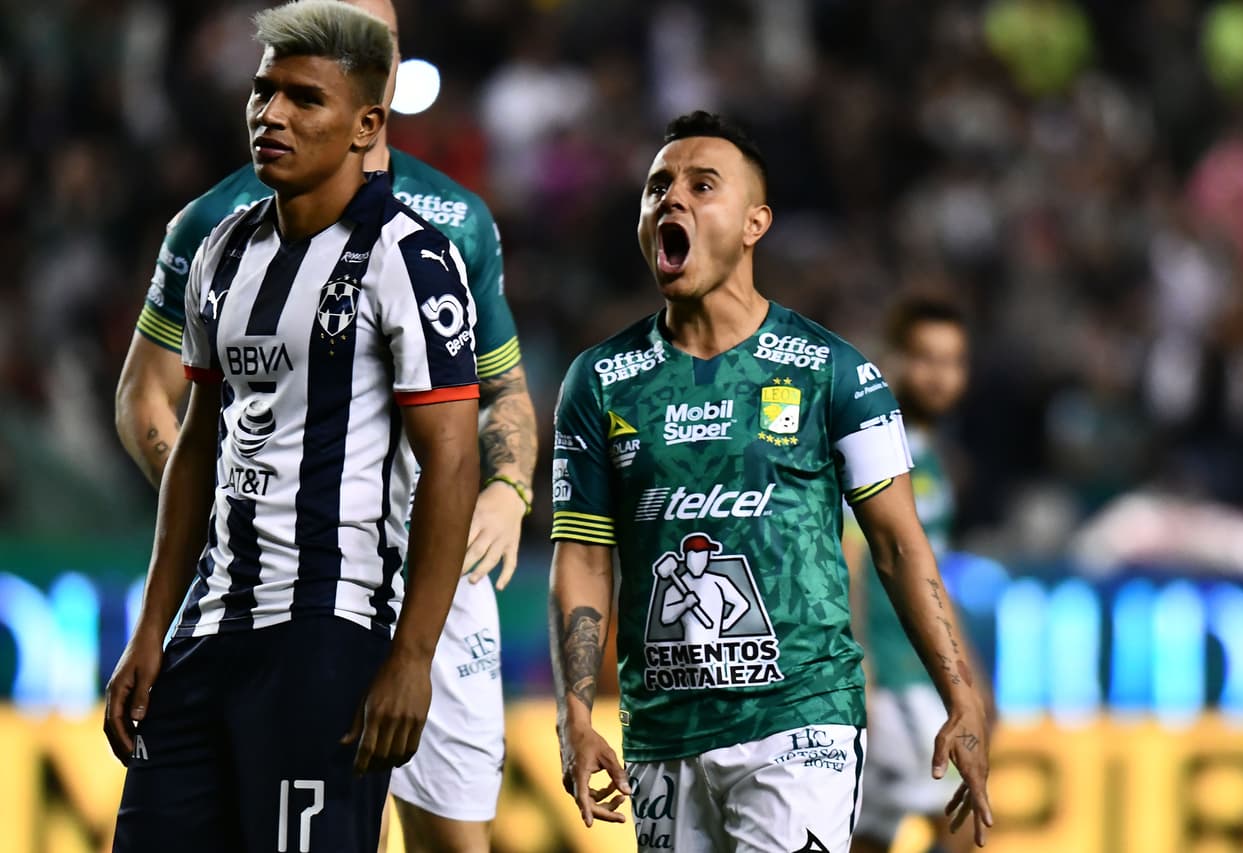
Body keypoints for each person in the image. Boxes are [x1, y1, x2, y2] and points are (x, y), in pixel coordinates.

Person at [113, 0, 536, 847]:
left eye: (303, 98)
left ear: (367, 119)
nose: (271, 114)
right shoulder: (218, 245)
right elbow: (195, 438)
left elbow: (455, 454)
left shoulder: (416, 254)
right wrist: (152, 626)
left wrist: (413, 651)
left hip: (337, 618)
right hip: (213, 619)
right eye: (264, 91)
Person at [547, 110, 995, 852]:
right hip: (661, 730)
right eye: (657, 187)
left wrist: (961, 694)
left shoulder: (835, 372)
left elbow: (897, 545)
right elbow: (584, 554)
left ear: (756, 223)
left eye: (702, 185)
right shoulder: (598, 381)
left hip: (800, 719)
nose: (672, 198)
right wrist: (574, 711)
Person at [848, 298, 991, 853]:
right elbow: (848, 558)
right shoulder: (872, 449)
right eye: (925, 358)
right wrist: (859, 671)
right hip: (890, 678)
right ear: (893, 360)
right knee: (963, 821)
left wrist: (968, 674)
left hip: (917, 675)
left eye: (953, 361)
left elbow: (933, 578)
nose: (940, 375)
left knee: (871, 836)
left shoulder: (931, 459)